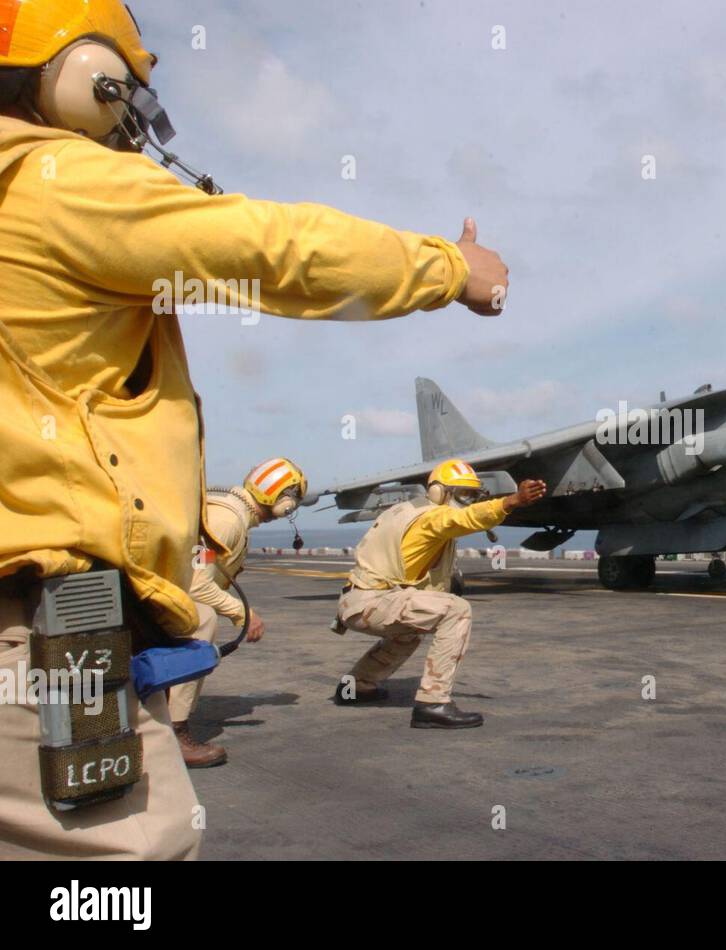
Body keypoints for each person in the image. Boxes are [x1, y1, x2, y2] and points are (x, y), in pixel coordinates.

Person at [0, 0, 509, 859]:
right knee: (124, 870)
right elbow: (272, 249)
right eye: (130, 92)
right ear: (89, 76)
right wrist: (451, 269)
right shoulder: (51, 183)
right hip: (46, 629)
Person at [334, 461, 546, 728]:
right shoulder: (432, 516)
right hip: (372, 601)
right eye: (462, 494)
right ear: (438, 492)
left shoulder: (403, 510)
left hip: (361, 600)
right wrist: (511, 501)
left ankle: (356, 687)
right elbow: (462, 519)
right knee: (456, 610)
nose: (467, 501)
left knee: (407, 634)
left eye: (472, 495)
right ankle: (433, 703)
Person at [175, 458, 309, 768]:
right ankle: (173, 730)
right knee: (202, 619)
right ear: (282, 500)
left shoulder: (227, 512)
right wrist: (242, 612)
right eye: (292, 501)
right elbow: (196, 585)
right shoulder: (227, 521)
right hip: (162, 599)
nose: (290, 509)